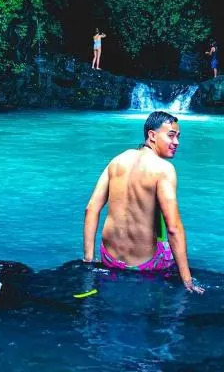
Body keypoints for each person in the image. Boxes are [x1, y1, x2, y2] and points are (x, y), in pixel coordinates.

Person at [83, 110, 204, 294]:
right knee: (166, 223)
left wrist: (89, 260)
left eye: (178, 137)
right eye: (171, 136)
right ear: (152, 135)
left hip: (109, 259)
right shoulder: (163, 169)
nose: (176, 142)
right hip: (146, 264)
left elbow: (91, 208)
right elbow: (173, 228)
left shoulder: (117, 160)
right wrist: (187, 281)